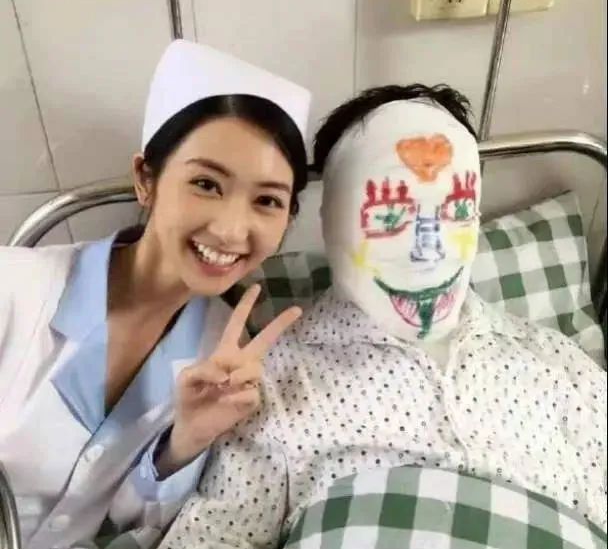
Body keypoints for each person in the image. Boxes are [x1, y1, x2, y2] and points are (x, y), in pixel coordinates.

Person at [157, 84, 607, 548]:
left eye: (455, 210)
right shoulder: (271, 385)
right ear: (333, 221)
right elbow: (212, 537)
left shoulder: (559, 365)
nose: (430, 250)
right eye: (391, 217)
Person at [0, 39, 311, 548]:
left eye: (267, 201)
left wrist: (186, 441)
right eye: (206, 184)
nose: (231, 231)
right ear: (146, 179)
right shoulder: (13, 291)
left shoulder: (223, 353)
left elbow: (125, 522)